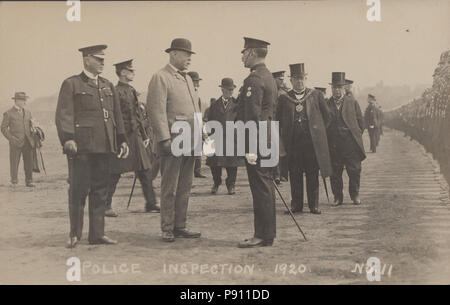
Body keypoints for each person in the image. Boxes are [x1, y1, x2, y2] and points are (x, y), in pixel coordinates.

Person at [55, 44, 129, 248]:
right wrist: (68, 138)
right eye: (98, 59)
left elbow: (116, 116)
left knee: (100, 191)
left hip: (105, 146)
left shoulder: (107, 85)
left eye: (103, 59)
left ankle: (97, 234)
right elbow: (64, 114)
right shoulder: (72, 84)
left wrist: (121, 139)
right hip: (82, 147)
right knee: (78, 191)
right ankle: (74, 234)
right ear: (86, 59)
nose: (102, 62)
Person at [147, 38, 202, 242]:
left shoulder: (187, 79)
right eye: (185, 54)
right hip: (173, 141)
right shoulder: (161, 77)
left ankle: (181, 225)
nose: (189, 58)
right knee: (169, 186)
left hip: (190, 140)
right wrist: (164, 139)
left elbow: (195, 109)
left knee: (185, 186)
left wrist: (201, 133)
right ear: (173, 54)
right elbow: (155, 110)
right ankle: (167, 227)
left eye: (190, 55)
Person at [104, 59, 160, 217]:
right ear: (122, 72)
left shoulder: (132, 90)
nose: (133, 73)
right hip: (122, 138)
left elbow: (138, 115)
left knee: (145, 171)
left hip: (136, 138)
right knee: (114, 172)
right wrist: (120, 138)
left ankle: (151, 203)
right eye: (131, 71)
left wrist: (143, 135)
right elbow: (116, 117)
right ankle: (105, 206)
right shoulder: (115, 91)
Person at [236, 37, 277, 248]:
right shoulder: (268, 76)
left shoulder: (254, 79)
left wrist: (250, 147)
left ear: (252, 53)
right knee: (266, 187)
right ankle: (266, 234)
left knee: (260, 188)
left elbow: (251, 117)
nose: (241, 56)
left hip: (257, 141)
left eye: (243, 52)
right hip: (268, 139)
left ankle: (262, 235)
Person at [277, 63, 332, 215]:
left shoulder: (316, 95)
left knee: (312, 174)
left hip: (311, 144)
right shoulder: (284, 98)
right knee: (295, 175)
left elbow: (327, 117)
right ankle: (296, 205)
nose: (299, 82)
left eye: (302, 78)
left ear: (306, 79)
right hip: (293, 144)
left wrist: (318, 132)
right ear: (291, 80)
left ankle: (314, 205)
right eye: (296, 79)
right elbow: (278, 120)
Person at [326, 72, 366, 206]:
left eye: (339, 87)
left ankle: (355, 195)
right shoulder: (327, 103)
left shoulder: (352, 102)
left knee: (354, 171)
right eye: (334, 88)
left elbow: (361, 123)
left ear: (344, 88)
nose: (337, 90)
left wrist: (355, 136)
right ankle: (338, 197)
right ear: (331, 89)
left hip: (350, 144)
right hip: (334, 145)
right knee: (335, 173)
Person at [206, 78, 245, 195]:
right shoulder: (214, 105)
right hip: (216, 137)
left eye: (232, 89)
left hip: (232, 138)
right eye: (228, 89)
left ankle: (231, 185)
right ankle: (216, 183)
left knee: (232, 164)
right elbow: (210, 120)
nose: (231, 92)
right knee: (215, 163)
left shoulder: (237, 104)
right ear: (222, 89)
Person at [1, 92, 35, 187]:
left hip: (28, 142)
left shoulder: (28, 112)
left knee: (29, 162)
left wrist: (34, 130)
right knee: (14, 162)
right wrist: (11, 139)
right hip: (15, 142)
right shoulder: (8, 113)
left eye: (25, 100)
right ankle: (14, 181)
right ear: (17, 101)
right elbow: (3, 128)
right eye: (23, 100)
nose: (25, 102)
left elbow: (30, 125)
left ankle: (29, 181)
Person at [187, 71, 207, 179]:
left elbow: (198, 112)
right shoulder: (184, 94)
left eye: (197, 82)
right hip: (186, 126)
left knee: (197, 149)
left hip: (196, 124)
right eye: (195, 82)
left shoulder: (197, 96)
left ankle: (197, 171)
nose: (197, 84)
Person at [272, 70, 289, 184]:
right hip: (273, 123)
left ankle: (283, 174)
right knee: (275, 150)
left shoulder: (284, 93)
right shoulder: (270, 92)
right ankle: (277, 174)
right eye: (280, 80)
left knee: (283, 149)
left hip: (283, 125)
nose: (282, 82)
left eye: (283, 80)